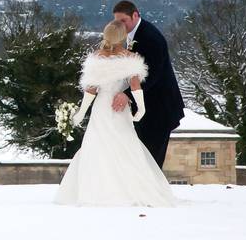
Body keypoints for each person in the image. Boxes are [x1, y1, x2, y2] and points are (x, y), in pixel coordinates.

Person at [54, 20, 176, 206]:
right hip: (119, 110)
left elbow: (91, 90)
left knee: (97, 145)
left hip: (101, 108)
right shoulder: (130, 59)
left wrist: (81, 112)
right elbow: (136, 88)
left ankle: (95, 190)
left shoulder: (96, 59)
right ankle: (129, 189)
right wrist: (141, 109)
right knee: (125, 146)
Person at [110, 0, 185, 167]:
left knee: (151, 162)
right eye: (117, 22)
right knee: (141, 160)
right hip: (147, 107)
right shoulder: (133, 34)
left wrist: (127, 94)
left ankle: (153, 193)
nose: (120, 25)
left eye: (123, 21)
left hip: (159, 109)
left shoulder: (150, 37)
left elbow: (152, 75)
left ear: (135, 15)